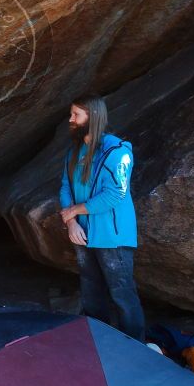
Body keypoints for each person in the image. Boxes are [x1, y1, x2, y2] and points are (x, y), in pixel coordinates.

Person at [58, 94, 146, 342]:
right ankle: (96, 340)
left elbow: (114, 194)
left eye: (76, 115)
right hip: (82, 230)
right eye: (71, 114)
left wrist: (75, 211)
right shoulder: (75, 151)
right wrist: (71, 222)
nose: (71, 119)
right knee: (90, 289)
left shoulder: (117, 152)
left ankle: (135, 345)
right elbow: (66, 187)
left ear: (93, 117)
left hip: (113, 235)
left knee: (121, 292)